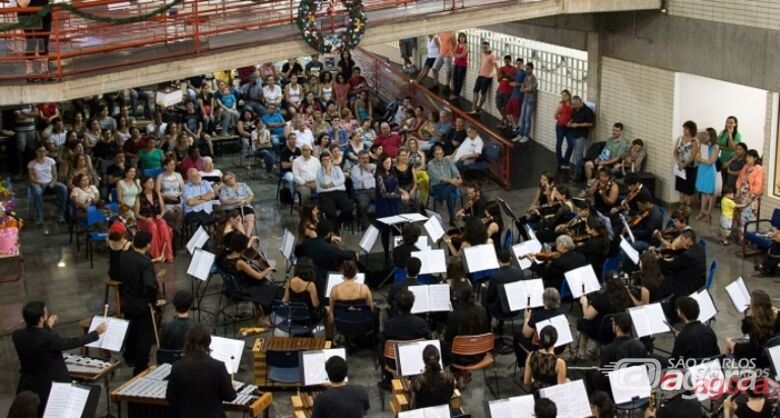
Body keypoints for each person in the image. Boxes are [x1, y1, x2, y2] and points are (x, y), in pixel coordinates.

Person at [13, 301, 106, 415]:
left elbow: (37, 338)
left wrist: (47, 327)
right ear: (41, 318)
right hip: (48, 387)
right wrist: (95, 333)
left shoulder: (17, 335)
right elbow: (72, 342)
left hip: (27, 385)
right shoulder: (49, 339)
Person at [166, 325, 237, 418]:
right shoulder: (218, 366)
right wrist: (231, 386)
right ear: (208, 342)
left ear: (188, 342)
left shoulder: (177, 366)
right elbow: (230, 397)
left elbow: (171, 399)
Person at [119, 231, 160, 375]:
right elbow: (149, 285)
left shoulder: (124, 256)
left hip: (128, 301)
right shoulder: (145, 262)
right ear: (148, 245)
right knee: (144, 336)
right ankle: (140, 366)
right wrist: (152, 300)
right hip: (142, 304)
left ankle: (129, 356)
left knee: (131, 331)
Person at [219, 233, 279, 327]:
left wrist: (252, 239)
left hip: (232, 287)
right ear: (242, 248)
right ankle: (264, 317)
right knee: (272, 289)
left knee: (260, 284)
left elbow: (245, 247)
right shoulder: (240, 263)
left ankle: (259, 311)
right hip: (243, 290)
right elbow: (259, 276)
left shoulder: (225, 256)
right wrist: (269, 269)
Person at [294, 219, 356, 293]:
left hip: (308, 275)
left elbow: (297, 251)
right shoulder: (328, 248)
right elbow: (345, 255)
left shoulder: (306, 243)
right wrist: (353, 252)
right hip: (324, 279)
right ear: (328, 234)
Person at [577, 277, 632, 359]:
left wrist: (584, 302)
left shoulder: (602, 299)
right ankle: (595, 349)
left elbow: (587, 315)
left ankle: (581, 353)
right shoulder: (624, 297)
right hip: (616, 330)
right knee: (601, 321)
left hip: (601, 331)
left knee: (582, 322)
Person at [593, 312, 647, 393]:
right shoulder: (640, 345)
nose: (612, 326)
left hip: (617, 392)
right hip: (637, 389)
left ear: (617, 327)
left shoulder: (607, 349)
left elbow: (604, 379)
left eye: (613, 324)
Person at [725, 289, 780, 368]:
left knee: (728, 341)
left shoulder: (753, 323)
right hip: (768, 354)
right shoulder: (775, 317)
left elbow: (744, 330)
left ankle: (724, 368)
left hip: (755, 356)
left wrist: (747, 314)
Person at [729, 149, 764, 244]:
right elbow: (739, 179)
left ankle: (745, 239)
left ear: (755, 158)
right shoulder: (745, 166)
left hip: (751, 196)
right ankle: (736, 235)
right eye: (747, 157)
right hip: (741, 195)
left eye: (750, 157)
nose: (748, 159)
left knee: (746, 217)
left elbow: (758, 184)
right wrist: (737, 190)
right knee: (738, 216)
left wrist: (751, 197)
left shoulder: (758, 168)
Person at [669, 296, 719, 364]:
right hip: (711, 368)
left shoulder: (682, 337)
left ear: (682, 314)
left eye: (677, 309)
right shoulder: (709, 330)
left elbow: (674, 362)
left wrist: (679, 338)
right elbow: (717, 353)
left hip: (691, 371)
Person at [135, 175, 174, 263]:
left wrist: (161, 215)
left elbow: (163, 209)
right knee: (153, 227)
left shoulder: (157, 194)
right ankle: (155, 255)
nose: (152, 184)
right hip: (145, 220)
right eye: (149, 182)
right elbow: (137, 214)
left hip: (156, 218)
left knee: (163, 224)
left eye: (152, 182)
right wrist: (145, 219)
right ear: (144, 184)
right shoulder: (139, 197)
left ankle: (167, 255)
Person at [658, 229, 706, 297]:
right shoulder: (697, 247)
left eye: (682, 239)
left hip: (689, 284)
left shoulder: (688, 255)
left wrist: (659, 259)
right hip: (699, 279)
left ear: (688, 239)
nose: (680, 241)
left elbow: (671, 266)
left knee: (665, 276)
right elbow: (679, 254)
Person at [28, 145, 68, 226]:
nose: (42, 153)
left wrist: (51, 183)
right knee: (37, 192)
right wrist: (41, 183)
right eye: (40, 151)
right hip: (38, 183)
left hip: (50, 182)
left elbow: (55, 175)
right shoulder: (31, 164)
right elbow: (31, 178)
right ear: (36, 152)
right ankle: (39, 217)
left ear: (46, 152)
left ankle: (60, 214)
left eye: (43, 151)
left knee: (63, 188)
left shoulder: (51, 161)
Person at [483, 249, 522, 328]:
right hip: (516, 309)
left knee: (485, 302)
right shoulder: (519, 272)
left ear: (498, 260)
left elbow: (490, 297)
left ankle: (487, 327)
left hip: (501, 311)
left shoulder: (495, 276)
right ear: (510, 258)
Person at [375, 153, 404, 259]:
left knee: (397, 229)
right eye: (386, 163)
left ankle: (397, 252)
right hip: (384, 205)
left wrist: (397, 193)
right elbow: (383, 193)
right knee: (385, 231)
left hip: (395, 204)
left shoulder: (393, 172)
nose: (388, 164)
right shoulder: (379, 175)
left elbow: (397, 185)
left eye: (390, 162)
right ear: (381, 163)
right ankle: (386, 253)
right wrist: (396, 195)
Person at [316, 151, 352, 233]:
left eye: (329, 159)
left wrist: (331, 185)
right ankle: (336, 233)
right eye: (325, 160)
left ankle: (338, 223)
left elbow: (342, 180)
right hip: (325, 194)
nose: (327, 162)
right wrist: (327, 170)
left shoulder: (337, 169)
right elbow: (324, 182)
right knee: (331, 213)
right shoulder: (319, 172)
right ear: (321, 162)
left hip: (339, 193)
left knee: (349, 208)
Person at [410, 345, 456, 409]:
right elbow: (450, 395)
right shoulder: (449, 377)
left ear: (423, 360)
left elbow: (412, 405)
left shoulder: (418, 380)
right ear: (439, 359)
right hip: (443, 411)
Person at [523, 326, 567, 392]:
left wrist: (537, 382)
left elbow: (526, 381)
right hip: (551, 396)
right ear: (555, 340)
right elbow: (561, 389)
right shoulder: (559, 363)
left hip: (536, 395)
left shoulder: (531, 355)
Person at [282, 257, 324, 324]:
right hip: (308, 318)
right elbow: (315, 305)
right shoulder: (310, 285)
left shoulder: (289, 282)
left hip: (294, 317)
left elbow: (285, 299)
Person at [428, 144, 462, 226]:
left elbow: (456, 172)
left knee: (448, 193)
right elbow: (438, 177)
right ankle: (452, 219)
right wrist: (452, 181)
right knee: (449, 193)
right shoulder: (430, 164)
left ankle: (441, 198)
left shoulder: (448, 161)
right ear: (433, 154)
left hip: (448, 185)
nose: (439, 156)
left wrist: (458, 178)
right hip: (437, 185)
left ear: (443, 153)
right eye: (437, 154)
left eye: (440, 153)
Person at [567, 96, 596, 182]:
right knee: (575, 155)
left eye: (575, 105)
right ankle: (575, 172)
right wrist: (570, 122)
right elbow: (572, 117)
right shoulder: (575, 110)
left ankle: (578, 176)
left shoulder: (587, 111)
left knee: (579, 155)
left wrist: (578, 125)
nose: (574, 107)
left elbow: (590, 124)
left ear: (580, 102)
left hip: (581, 135)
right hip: (574, 133)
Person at [673, 120, 700, 207]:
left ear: (692, 130)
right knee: (681, 187)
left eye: (687, 129)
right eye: (684, 128)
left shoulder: (694, 141)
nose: (684, 131)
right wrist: (679, 162)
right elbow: (675, 152)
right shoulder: (680, 138)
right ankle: (681, 204)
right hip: (680, 166)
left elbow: (693, 155)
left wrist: (685, 164)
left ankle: (687, 206)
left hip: (690, 167)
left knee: (688, 188)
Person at [219, 171, 255, 236]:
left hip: (245, 205)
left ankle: (247, 237)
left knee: (250, 219)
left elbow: (251, 195)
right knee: (238, 221)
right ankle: (245, 239)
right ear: (225, 183)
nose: (229, 180)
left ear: (234, 177)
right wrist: (236, 201)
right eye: (227, 180)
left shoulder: (243, 185)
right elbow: (223, 201)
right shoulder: (224, 189)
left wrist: (245, 201)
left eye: (230, 178)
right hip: (232, 208)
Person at [695, 127, 719, 222]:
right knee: (703, 192)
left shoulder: (715, 147)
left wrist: (701, 159)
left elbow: (710, 161)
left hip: (709, 171)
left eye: (707, 134)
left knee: (711, 193)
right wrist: (701, 159)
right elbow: (698, 156)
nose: (705, 136)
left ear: (711, 136)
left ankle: (709, 214)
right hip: (702, 169)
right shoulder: (704, 145)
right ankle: (702, 212)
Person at [470, 41, 498, 114]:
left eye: (486, 47)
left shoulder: (492, 55)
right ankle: (473, 108)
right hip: (480, 75)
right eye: (483, 47)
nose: (484, 49)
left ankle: (478, 108)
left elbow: (496, 66)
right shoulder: (483, 54)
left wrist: (499, 76)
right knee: (475, 91)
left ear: (489, 47)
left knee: (483, 93)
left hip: (487, 77)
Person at [513, 62, 538, 143]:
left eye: (528, 68)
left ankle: (526, 135)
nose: (526, 70)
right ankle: (520, 134)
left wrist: (526, 89)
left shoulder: (534, 78)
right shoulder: (525, 78)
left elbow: (533, 89)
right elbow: (522, 89)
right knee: (522, 118)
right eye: (526, 68)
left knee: (527, 119)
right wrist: (527, 89)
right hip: (525, 100)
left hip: (530, 101)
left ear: (532, 69)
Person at [350, 150, 376, 230]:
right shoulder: (355, 168)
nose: (365, 160)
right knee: (362, 205)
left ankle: (382, 223)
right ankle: (366, 226)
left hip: (373, 190)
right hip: (361, 192)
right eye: (363, 158)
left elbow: (378, 175)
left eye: (367, 158)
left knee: (384, 201)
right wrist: (368, 171)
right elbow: (360, 179)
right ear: (358, 159)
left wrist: (372, 169)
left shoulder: (373, 166)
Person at [718, 116, 741, 191]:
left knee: (730, 182)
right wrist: (727, 148)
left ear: (735, 124)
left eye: (731, 123)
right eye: (728, 122)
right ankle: (723, 199)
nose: (729, 124)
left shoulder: (737, 134)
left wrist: (730, 135)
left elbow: (733, 148)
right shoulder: (722, 132)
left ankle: (729, 200)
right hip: (723, 159)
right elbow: (718, 145)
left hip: (732, 160)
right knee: (724, 180)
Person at [554, 89, 573, 169]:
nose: (564, 97)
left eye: (565, 95)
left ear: (569, 95)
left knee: (571, 144)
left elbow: (574, 116)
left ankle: (566, 161)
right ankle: (560, 161)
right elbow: (555, 115)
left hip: (569, 127)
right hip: (560, 126)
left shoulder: (572, 105)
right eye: (562, 96)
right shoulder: (561, 105)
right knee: (559, 143)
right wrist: (561, 120)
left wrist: (570, 122)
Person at [495, 55, 516, 128]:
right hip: (500, 90)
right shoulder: (501, 69)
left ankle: (504, 122)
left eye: (508, 61)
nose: (506, 63)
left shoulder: (514, 69)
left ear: (510, 61)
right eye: (505, 61)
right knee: (498, 105)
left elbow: (515, 79)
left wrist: (509, 75)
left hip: (508, 91)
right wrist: (503, 75)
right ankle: (506, 120)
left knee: (506, 108)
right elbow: (498, 79)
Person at [450, 32, 469, 101]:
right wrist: (457, 55)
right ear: (458, 38)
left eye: (463, 37)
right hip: (456, 63)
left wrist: (456, 55)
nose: (462, 39)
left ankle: (456, 94)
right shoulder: (458, 45)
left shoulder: (466, 45)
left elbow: (463, 55)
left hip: (462, 65)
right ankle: (455, 93)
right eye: (460, 37)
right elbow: (453, 52)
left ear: (465, 38)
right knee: (454, 79)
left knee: (459, 80)